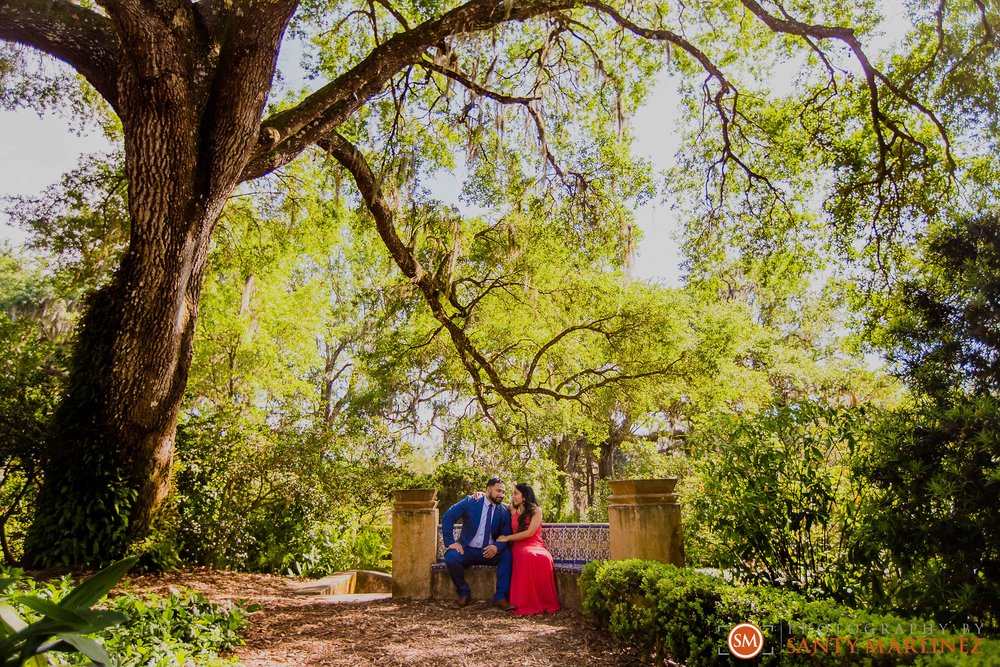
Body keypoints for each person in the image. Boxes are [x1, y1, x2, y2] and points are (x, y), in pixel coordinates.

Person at [440, 477, 514, 609]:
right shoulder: (470, 501)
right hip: (467, 550)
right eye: (498, 491)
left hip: (489, 552)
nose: (501, 495)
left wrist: (497, 547)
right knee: (451, 557)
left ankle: (500, 597)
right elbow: (448, 516)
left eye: (503, 492)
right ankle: (464, 593)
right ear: (488, 489)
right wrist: (450, 542)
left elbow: (506, 533)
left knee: (507, 555)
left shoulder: (504, 511)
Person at [496, 483, 560, 615]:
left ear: (524, 496)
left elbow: (530, 532)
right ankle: (524, 602)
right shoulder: (513, 510)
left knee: (543, 557)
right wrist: (481, 494)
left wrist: (508, 538)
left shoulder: (536, 511)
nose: (513, 496)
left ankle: (544, 601)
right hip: (519, 546)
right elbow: (499, 502)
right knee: (526, 556)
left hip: (535, 544)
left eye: (516, 493)